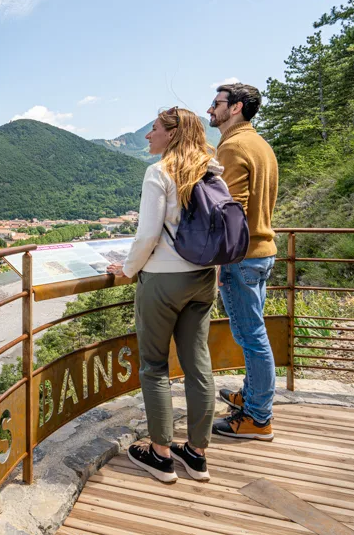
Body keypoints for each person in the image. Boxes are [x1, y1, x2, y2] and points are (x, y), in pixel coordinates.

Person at [110, 106, 223, 483]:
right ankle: (197, 453)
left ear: (171, 134)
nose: (148, 135)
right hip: (203, 278)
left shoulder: (158, 173)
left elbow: (147, 235)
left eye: (154, 128)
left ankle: (160, 454)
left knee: (155, 366)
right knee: (198, 365)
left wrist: (126, 270)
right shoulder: (211, 168)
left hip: (163, 280)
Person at [207, 82, 279, 441]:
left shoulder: (233, 146)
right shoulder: (260, 144)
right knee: (256, 332)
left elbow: (230, 211)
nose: (210, 110)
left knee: (251, 338)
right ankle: (253, 397)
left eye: (216, 103)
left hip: (242, 256)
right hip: (263, 251)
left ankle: (257, 417)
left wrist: (218, 259)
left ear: (235, 108)